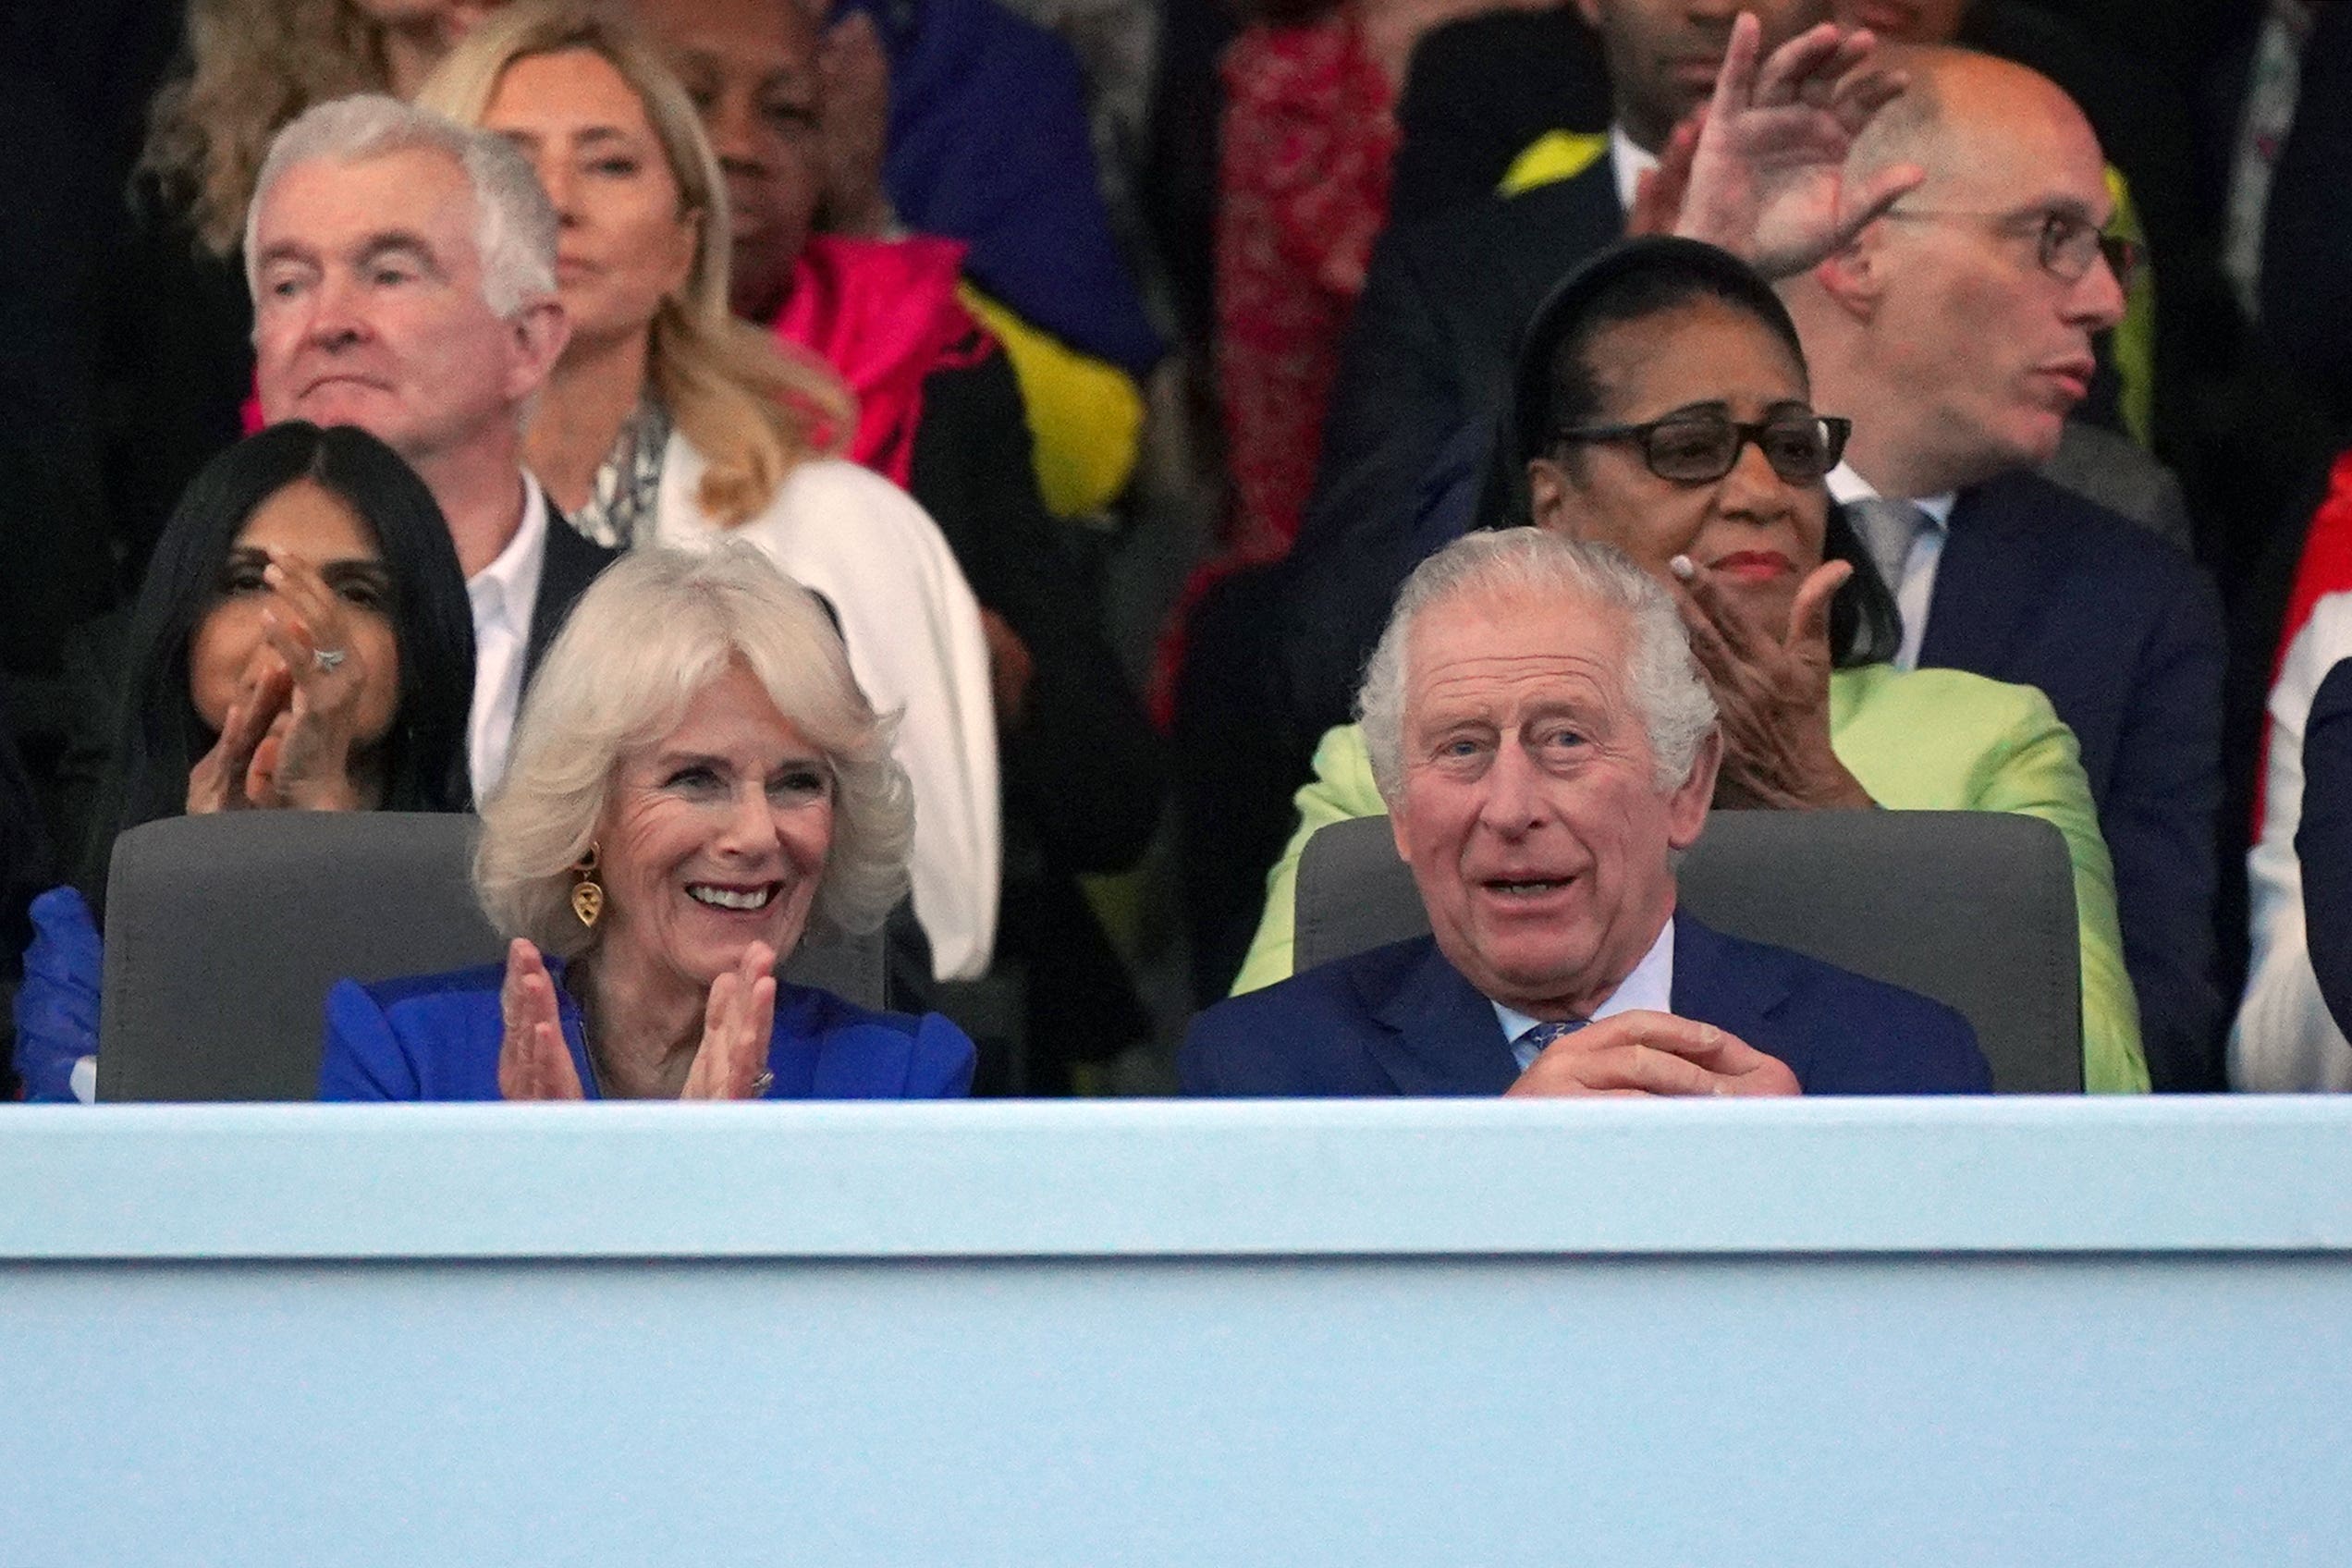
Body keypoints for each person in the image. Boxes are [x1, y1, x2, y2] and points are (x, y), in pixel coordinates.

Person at [1232, 237, 2145, 1091]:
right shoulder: (1404, 755)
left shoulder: (1993, 737)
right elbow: (1272, 1102)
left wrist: (1824, 801)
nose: (1758, 493)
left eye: (1792, 448)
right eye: (1690, 448)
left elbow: (2087, 1087)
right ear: (1557, 501)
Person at [416, 1, 1000, 983]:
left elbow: (924, 932)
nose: (555, 202)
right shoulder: (350, 539)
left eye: (607, 162)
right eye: (509, 165)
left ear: (685, 242)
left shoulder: (845, 534)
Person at [637, 0, 1166, 1071]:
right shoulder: (509, 395)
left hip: (911, 993)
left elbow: (1115, 802)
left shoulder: (942, 367)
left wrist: (989, 687)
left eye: (786, 111)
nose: (740, 143)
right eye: (695, 100)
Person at [1781, 47, 2227, 1088]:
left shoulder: (2136, 601)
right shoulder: (1652, 528)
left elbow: (2161, 1025)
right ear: (1858, 245)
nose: (2106, 303)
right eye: (2053, 238)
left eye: (2110, 251)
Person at [1182, 528, 1991, 1096]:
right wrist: (1507, 1176)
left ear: (1685, 787)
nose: (1510, 808)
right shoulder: (1264, 1077)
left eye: (1564, 739)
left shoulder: (1899, 1064)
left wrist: (1787, 1184)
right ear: (1398, 809)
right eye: (1461, 748)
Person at [321, 545, 975, 1100]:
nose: (755, 834)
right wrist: (531, 1183)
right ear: (588, 813)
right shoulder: (404, 1063)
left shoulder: (902, 1083)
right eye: (696, 780)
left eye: (797, 783)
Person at [14, 423, 475, 1103]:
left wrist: (328, 832)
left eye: (357, 593)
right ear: (183, 626)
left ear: (421, 650)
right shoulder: (86, 935)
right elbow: (114, 1175)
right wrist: (204, 891)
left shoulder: (492, 914)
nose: (297, 628)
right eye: (247, 581)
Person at [246, 92, 618, 806]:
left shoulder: (695, 651)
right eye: (289, 284)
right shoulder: (150, 659)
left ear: (528, 342)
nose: (329, 323)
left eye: (389, 273)